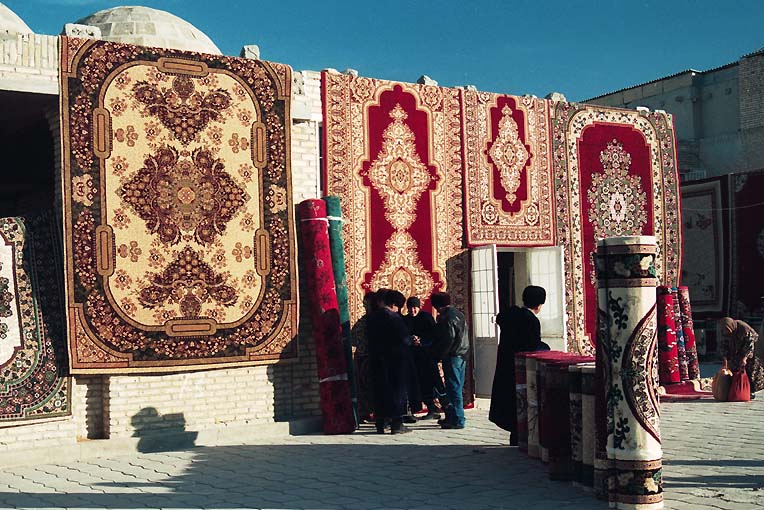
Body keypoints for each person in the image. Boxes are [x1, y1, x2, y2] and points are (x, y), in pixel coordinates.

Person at [489, 285, 550, 445]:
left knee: (510, 403)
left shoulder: (511, 315)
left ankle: (515, 437)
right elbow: (531, 346)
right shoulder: (531, 321)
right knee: (522, 403)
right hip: (521, 368)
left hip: (506, 366)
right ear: (539, 305)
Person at [367, 289, 414, 434]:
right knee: (397, 392)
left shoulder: (373, 318)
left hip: (377, 359)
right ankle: (396, 424)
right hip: (395, 361)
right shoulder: (394, 318)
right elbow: (404, 339)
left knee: (380, 391)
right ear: (394, 304)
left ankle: (380, 423)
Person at [430, 292, 469, 429]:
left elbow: (448, 338)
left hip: (453, 355)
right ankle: (453, 417)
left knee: (453, 388)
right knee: (456, 386)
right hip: (461, 354)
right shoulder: (459, 314)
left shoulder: (447, 318)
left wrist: (439, 354)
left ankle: (458, 419)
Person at [403, 296, 443, 420]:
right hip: (413, 357)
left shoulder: (426, 318)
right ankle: (415, 409)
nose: (412, 311)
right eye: (410, 308)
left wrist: (422, 341)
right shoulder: (405, 320)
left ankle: (434, 408)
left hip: (426, 356)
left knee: (431, 382)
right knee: (417, 383)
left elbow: (434, 336)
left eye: (414, 308)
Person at [719, 317, 764, 397]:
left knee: (750, 370)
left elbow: (750, 345)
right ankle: (736, 389)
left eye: (727, 330)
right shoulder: (725, 333)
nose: (727, 332)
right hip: (737, 349)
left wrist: (745, 358)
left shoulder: (743, 329)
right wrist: (725, 360)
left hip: (752, 350)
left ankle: (750, 390)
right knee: (733, 367)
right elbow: (724, 346)